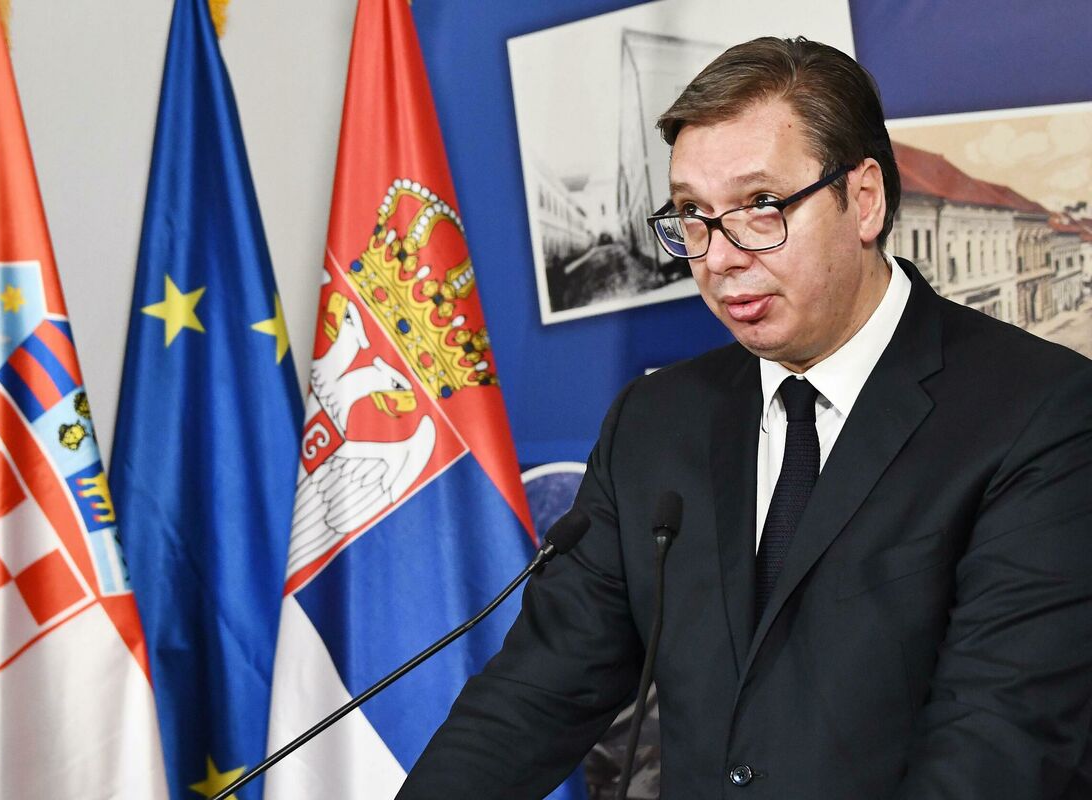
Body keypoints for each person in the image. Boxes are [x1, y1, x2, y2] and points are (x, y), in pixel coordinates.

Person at [397, 37, 1092, 799]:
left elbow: (1000, 741)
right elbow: (535, 696)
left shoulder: (1042, 412)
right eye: (692, 214)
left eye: (761, 205)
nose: (718, 256)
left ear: (864, 200)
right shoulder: (653, 424)